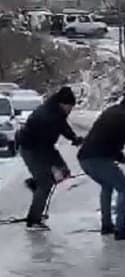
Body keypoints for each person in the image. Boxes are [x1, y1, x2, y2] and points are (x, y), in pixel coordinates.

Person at [77, 92, 125, 241]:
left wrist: (119, 156)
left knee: (107, 186)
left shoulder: (111, 111)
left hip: (85, 157)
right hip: (98, 158)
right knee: (124, 188)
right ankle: (121, 229)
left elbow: (107, 136)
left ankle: (107, 225)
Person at [18, 87, 83, 231]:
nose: (70, 110)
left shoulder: (56, 112)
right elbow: (43, 149)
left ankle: (35, 184)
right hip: (31, 148)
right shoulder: (47, 116)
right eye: (69, 107)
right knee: (46, 183)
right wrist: (53, 166)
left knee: (64, 171)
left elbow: (63, 126)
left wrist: (73, 138)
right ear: (62, 104)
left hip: (44, 146)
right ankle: (33, 220)